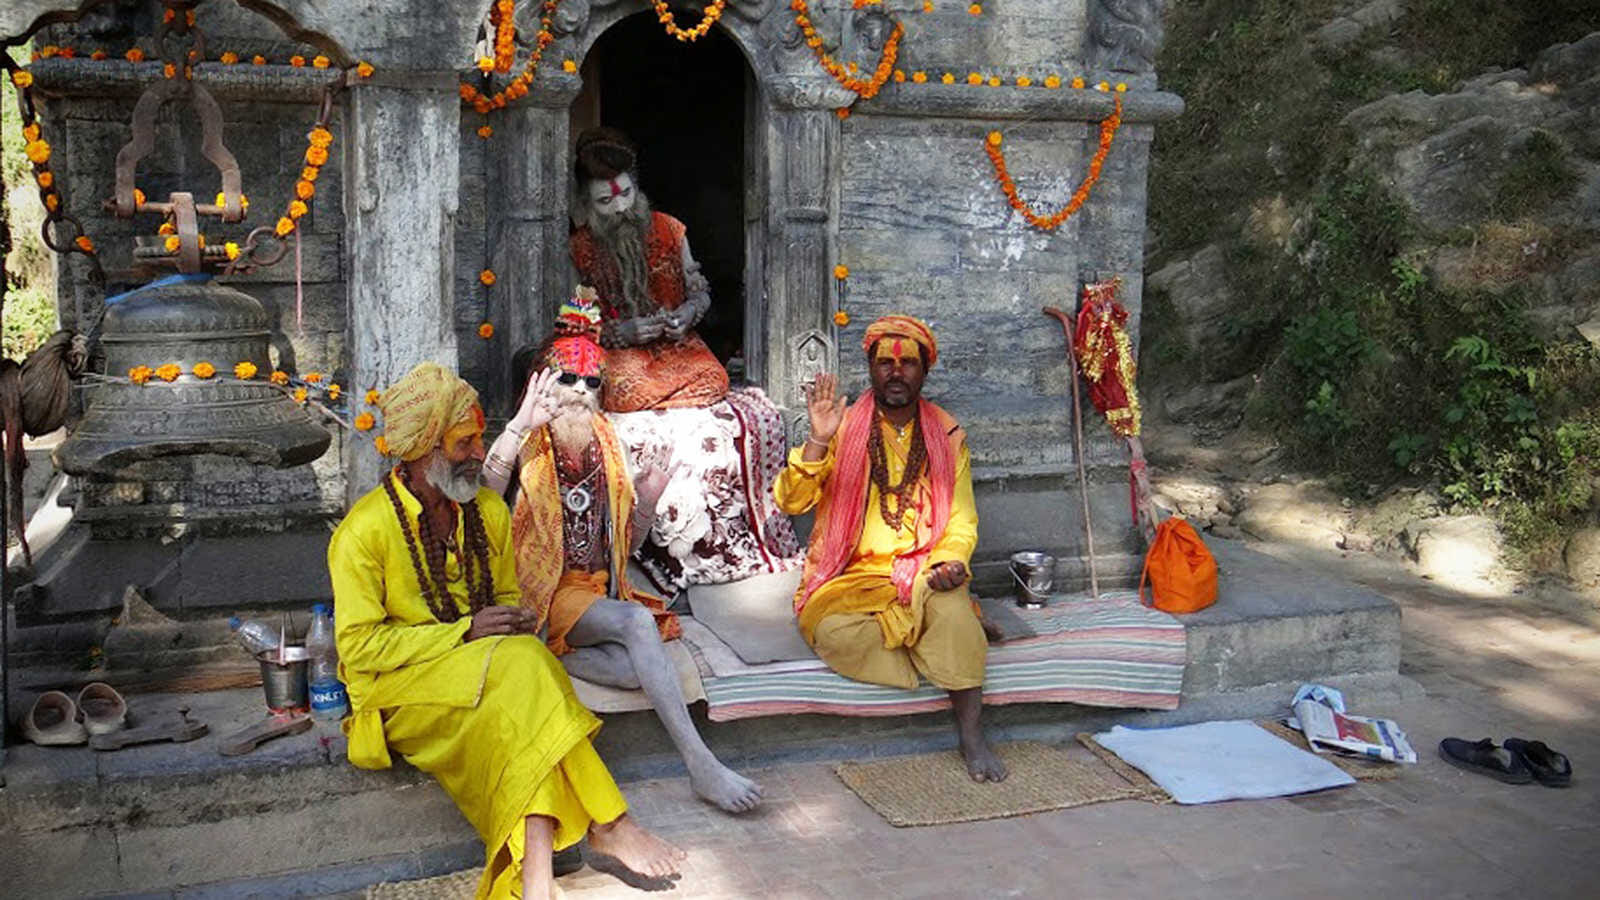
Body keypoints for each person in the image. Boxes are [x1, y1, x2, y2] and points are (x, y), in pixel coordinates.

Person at [330, 362, 684, 899]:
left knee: (522, 696)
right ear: (425, 450)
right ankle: (608, 823)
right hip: (395, 691)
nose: (480, 453)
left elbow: (506, 598)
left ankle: (537, 885)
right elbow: (358, 648)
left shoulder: (488, 512)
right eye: (465, 442)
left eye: (480, 438)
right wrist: (467, 633)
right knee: (525, 668)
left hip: (485, 675)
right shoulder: (364, 532)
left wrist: (512, 618)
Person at [481, 296, 763, 813]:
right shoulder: (527, 439)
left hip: (593, 592)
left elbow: (624, 548)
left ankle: (543, 659)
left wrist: (649, 498)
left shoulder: (606, 441)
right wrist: (520, 421)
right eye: (568, 380)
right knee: (636, 626)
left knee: (642, 672)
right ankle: (701, 764)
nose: (580, 393)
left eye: (591, 383)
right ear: (544, 384)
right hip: (544, 590)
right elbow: (485, 490)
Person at [774, 315, 1009, 783]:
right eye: (885, 364)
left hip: (924, 572)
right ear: (870, 369)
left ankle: (971, 733)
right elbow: (791, 500)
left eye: (908, 365)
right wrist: (819, 439)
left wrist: (951, 564)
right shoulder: (842, 427)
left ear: (925, 371)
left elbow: (961, 519)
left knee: (956, 621)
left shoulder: (945, 433)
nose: (896, 373)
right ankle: (929, 638)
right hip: (850, 578)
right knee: (838, 635)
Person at [568, 126, 729, 412]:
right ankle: (664, 401)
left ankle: (655, 403)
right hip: (619, 355)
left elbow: (700, 294)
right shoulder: (578, 248)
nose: (620, 207)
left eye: (626, 194)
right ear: (586, 203)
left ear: (636, 187)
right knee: (616, 387)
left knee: (715, 378)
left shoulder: (670, 228)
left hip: (678, 351)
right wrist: (623, 332)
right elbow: (572, 328)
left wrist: (688, 315)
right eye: (605, 200)